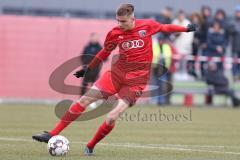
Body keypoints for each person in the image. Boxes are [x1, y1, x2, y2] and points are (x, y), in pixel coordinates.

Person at [32, 4, 196, 156]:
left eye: (123, 21)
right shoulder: (115, 33)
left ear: (132, 18)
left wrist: (185, 29)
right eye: (118, 21)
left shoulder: (147, 26)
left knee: (112, 116)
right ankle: (52, 134)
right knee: (84, 100)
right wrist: (88, 68)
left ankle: (90, 145)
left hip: (136, 81)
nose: (120, 24)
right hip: (115, 75)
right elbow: (104, 52)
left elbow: (165, 27)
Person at [229, 5, 240, 81]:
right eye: (237, 12)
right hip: (235, 46)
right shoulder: (232, 22)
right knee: (234, 62)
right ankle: (234, 76)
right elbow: (229, 32)